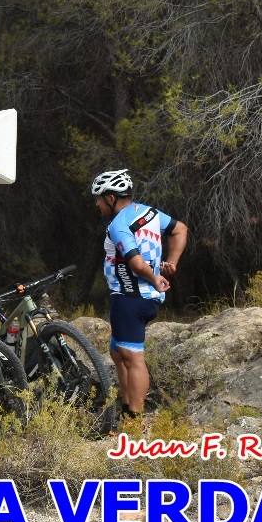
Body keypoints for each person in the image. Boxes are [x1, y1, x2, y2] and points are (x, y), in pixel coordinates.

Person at [91, 169, 188, 420]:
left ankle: (134, 418)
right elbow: (180, 230)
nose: (97, 204)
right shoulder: (150, 213)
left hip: (130, 297)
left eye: (99, 198)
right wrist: (172, 262)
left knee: (132, 357)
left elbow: (135, 263)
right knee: (117, 351)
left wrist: (155, 277)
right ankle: (126, 406)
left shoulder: (118, 225)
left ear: (111, 198)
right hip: (147, 297)